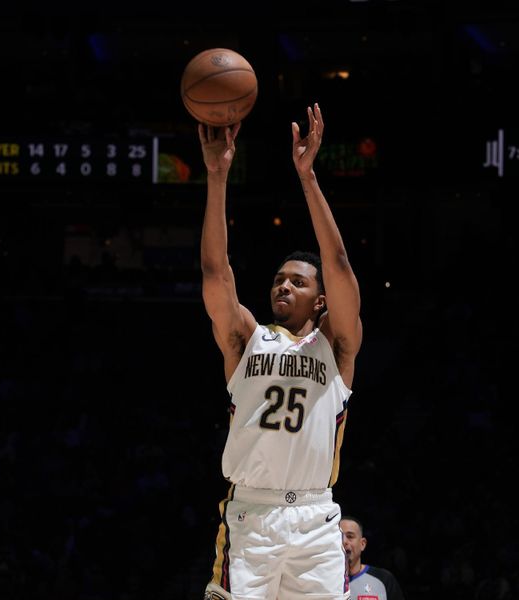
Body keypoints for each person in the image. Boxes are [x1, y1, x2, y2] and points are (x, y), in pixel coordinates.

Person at [199, 102, 363, 600]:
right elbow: (215, 274)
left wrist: (308, 177)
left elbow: (338, 263)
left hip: (316, 520)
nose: (283, 286)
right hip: (252, 515)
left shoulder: (335, 347)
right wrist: (217, 176)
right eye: (278, 280)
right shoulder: (248, 338)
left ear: (320, 298)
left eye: (297, 281)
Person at [340, 516, 405, 600]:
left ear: (362, 544)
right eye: (339, 536)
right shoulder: (322, 579)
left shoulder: (384, 579)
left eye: (350, 536)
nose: (344, 541)